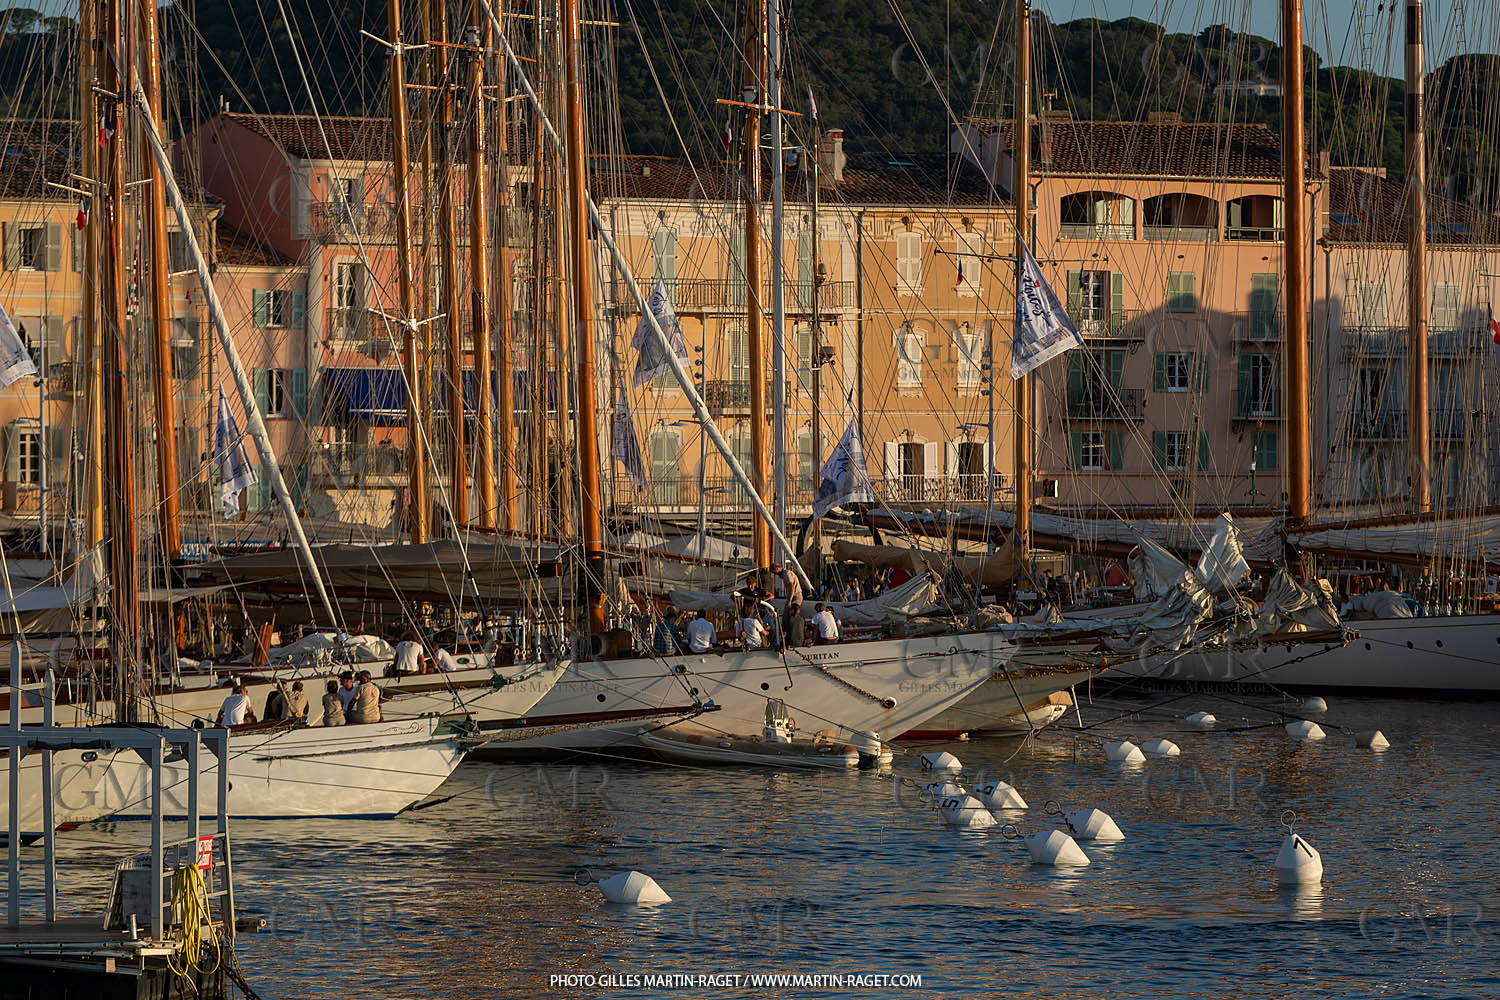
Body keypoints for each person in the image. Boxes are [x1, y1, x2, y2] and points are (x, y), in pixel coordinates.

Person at [775, 563, 805, 647]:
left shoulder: (787, 573)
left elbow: (791, 586)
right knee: (786, 616)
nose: (775, 574)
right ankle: (786, 636)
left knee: (792, 616)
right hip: (792, 597)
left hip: (795, 596)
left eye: (774, 571)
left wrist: (790, 600)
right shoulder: (785, 574)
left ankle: (792, 638)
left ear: (778, 568)